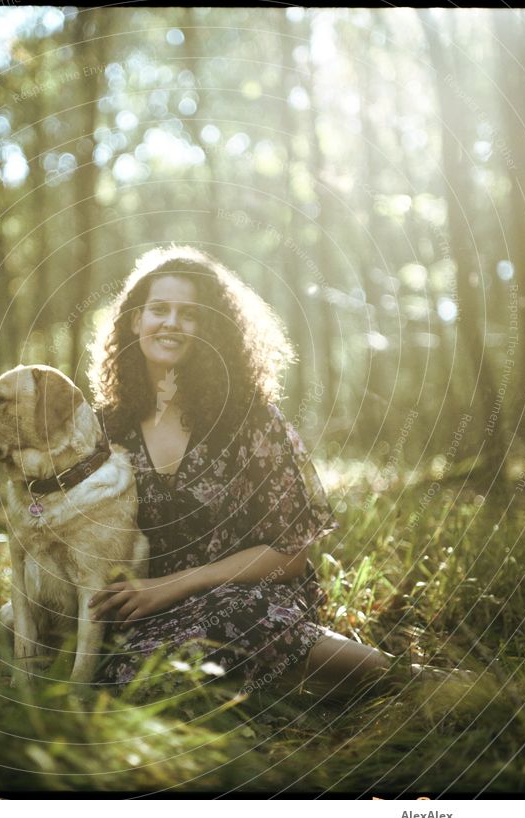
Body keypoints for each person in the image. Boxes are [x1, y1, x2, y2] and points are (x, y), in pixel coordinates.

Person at [85, 244, 405, 700]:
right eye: (159, 309)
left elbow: (290, 555)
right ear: (135, 320)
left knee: (238, 615)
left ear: (210, 329)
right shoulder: (104, 428)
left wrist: (174, 585)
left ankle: (407, 678)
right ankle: (288, 688)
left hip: (249, 595)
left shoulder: (251, 420)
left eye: (189, 314)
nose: (172, 322)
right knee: (132, 679)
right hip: (147, 612)